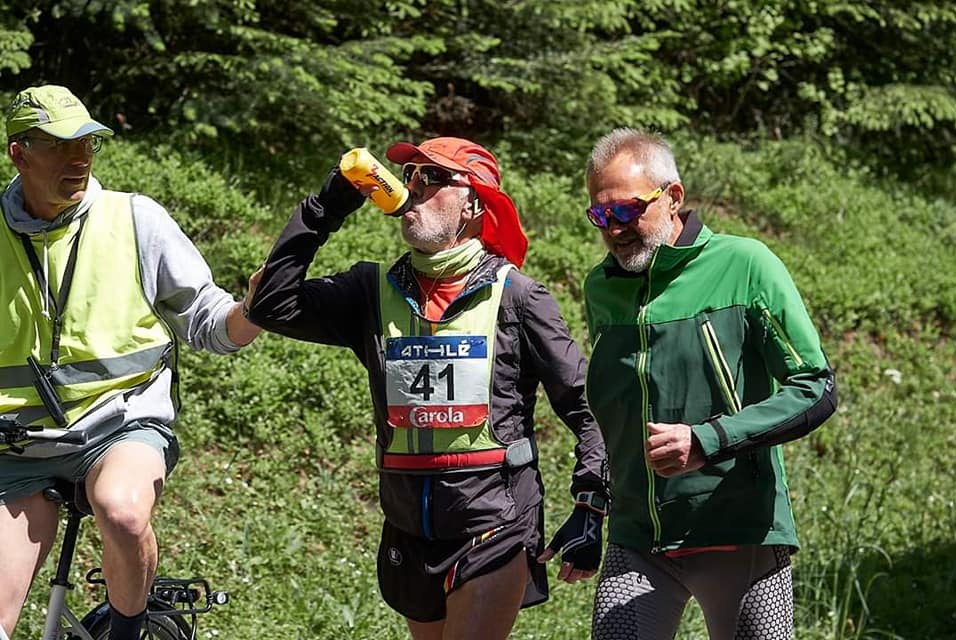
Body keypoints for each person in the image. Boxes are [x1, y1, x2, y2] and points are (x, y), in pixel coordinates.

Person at [247, 137, 609, 640]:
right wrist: (330, 203)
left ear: (474, 205)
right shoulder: (370, 290)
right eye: (411, 175)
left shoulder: (519, 296)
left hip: (495, 521)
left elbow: (586, 406)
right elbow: (270, 304)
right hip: (407, 527)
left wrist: (590, 503)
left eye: (434, 177)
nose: (415, 186)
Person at [0, 85, 262, 640]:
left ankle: (127, 633)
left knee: (120, 510)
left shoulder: (134, 219)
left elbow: (208, 321)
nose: (78, 158)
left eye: (87, 144)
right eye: (59, 145)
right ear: (18, 153)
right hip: (19, 445)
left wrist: (254, 311)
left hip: (119, 425)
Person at [581, 128, 837, 639]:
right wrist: (591, 506)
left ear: (673, 196)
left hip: (739, 532)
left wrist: (708, 440)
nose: (615, 228)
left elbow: (816, 387)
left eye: (627, 210)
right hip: (638, 539)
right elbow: (609, 415)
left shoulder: (744, 265)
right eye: (600, 216)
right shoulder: (601, 288)